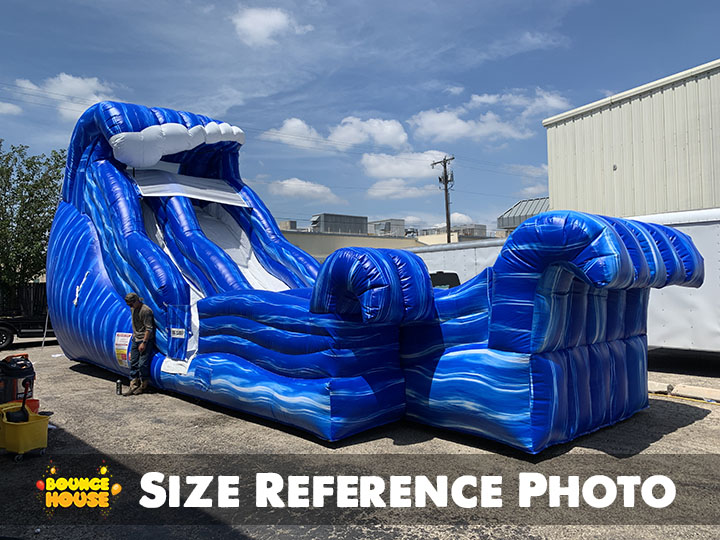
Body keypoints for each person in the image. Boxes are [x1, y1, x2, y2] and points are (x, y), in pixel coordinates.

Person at [123, 292, 155, 395]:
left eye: (131, 304)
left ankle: (143, 385)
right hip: (136, 339)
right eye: (129, 305)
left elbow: (149, 328)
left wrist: (144, 342)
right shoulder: (133, 308)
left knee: (142, 364)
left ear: (137, 301)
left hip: (144, 340)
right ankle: (133, 385)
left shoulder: (146, 311)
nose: (130, 307)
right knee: (133, 362)